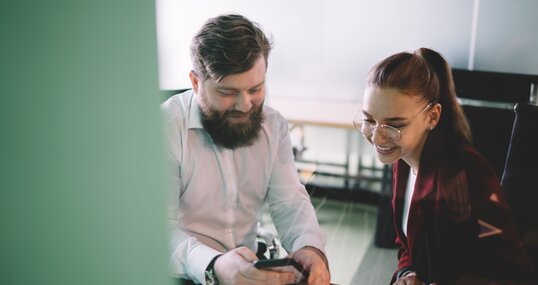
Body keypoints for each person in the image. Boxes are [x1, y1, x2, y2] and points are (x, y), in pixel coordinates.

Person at [161, 13, 330, 285]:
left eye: (256, 88)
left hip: (249, 270)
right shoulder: (165, 128)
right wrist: (213, 265)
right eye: (228, 93)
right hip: (179, 272)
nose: (245, 104)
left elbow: (289, 201)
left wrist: (309, 247)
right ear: (195, 82)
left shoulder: (273, 126)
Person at [354, 48, 536, 285]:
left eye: (394, 125)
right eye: (369, 120)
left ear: (432, 117)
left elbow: (506, 268)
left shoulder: (467, 173)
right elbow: (411, 245)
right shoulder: (403, 160)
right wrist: (408, 273)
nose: (377, 138)